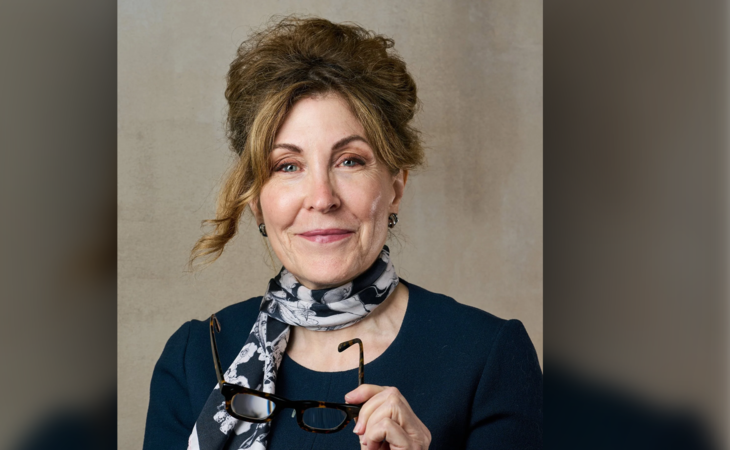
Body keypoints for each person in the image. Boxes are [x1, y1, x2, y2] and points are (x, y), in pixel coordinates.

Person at [143, 17, 542, 450]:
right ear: (255, 199)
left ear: (396, 186)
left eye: (350, 161)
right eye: (287, 166)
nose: (322, 198)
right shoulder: (195, 357)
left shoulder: (489, 356)